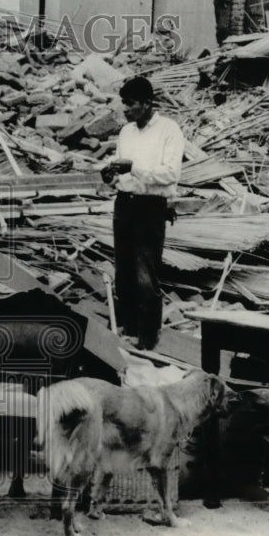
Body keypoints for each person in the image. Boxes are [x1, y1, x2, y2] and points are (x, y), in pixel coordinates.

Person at [102, 76, 184, 351]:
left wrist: (132, 167)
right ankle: (129, 331)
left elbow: (171, 174)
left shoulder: (168, 130)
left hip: (150, 208)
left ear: (147, 103)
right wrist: (111, 175)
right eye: (123, 103)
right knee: (123, 272)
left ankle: (148, 339)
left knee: (145, 274)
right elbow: (120, 174)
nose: (125, 109)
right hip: (124, 204)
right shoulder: (126, 133)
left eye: (131, 103)